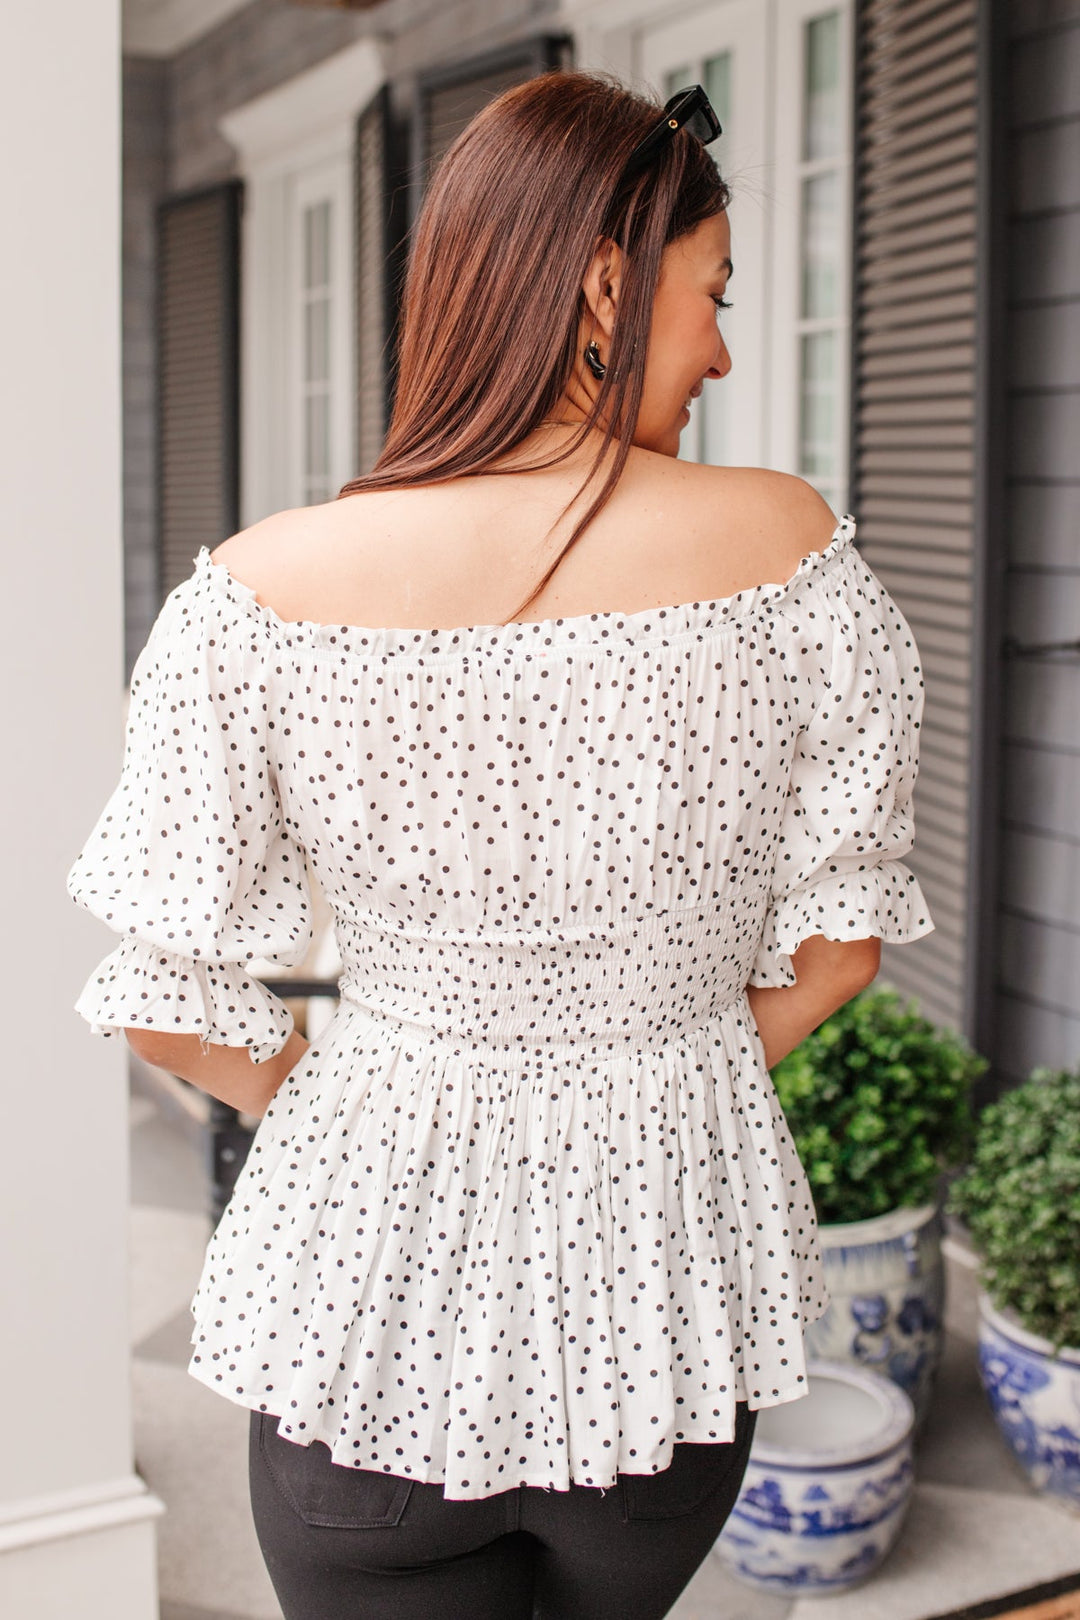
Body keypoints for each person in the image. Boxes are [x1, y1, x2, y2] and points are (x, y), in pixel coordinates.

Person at [68, 72, 933, 1620]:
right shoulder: (796, 555)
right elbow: (838, 955)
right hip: (657, 1331)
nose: (724, 350)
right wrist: (644, 1070)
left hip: (365, 1328)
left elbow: (165, 1003)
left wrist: (349, 1107)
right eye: (715, 295)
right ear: (605, 282)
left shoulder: (254, 596)